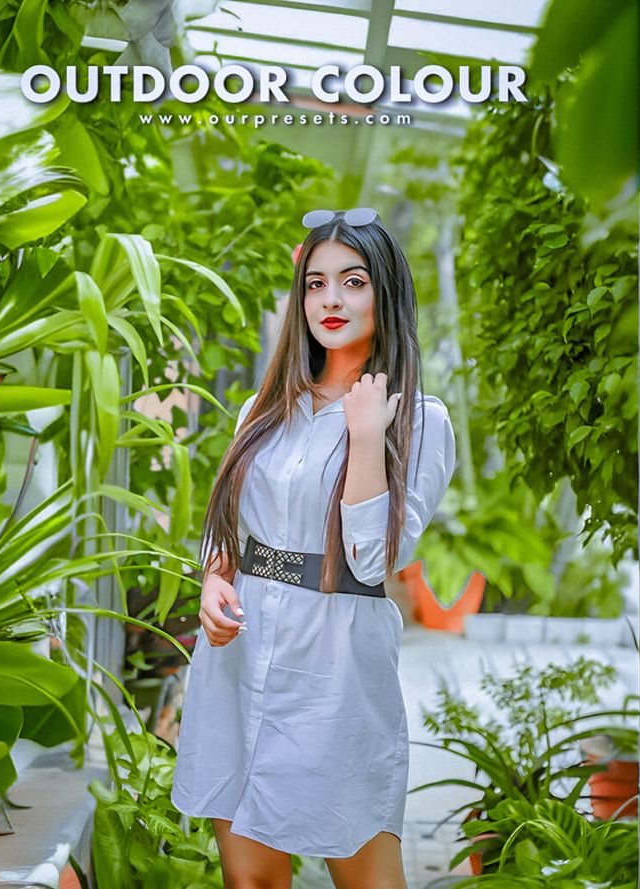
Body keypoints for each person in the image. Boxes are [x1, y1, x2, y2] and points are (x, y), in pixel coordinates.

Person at [171, 207, 456, 889]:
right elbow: (231, 526)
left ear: (383, 292)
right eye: (315, 283)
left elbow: (370, 562)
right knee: (251, 880)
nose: (330, 300)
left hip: (334, 663)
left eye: (352, 281)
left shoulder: (419, 420)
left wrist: (363, 436)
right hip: (239, 652)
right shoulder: (266, 406)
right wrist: (214, 581)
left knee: (362, 871)